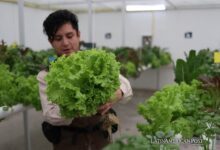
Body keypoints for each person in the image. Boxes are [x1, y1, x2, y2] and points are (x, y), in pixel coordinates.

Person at [37, 9, 133, 150]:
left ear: (78, 35)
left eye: (70, 36)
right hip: (69, 141)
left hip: (101, 138)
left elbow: (127, 88)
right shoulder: (46, 75)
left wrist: (118, 94)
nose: (65, 43)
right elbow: (51, 115)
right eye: (58, 38)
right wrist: (84, 108)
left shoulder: (95, 62)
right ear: (51, 42)